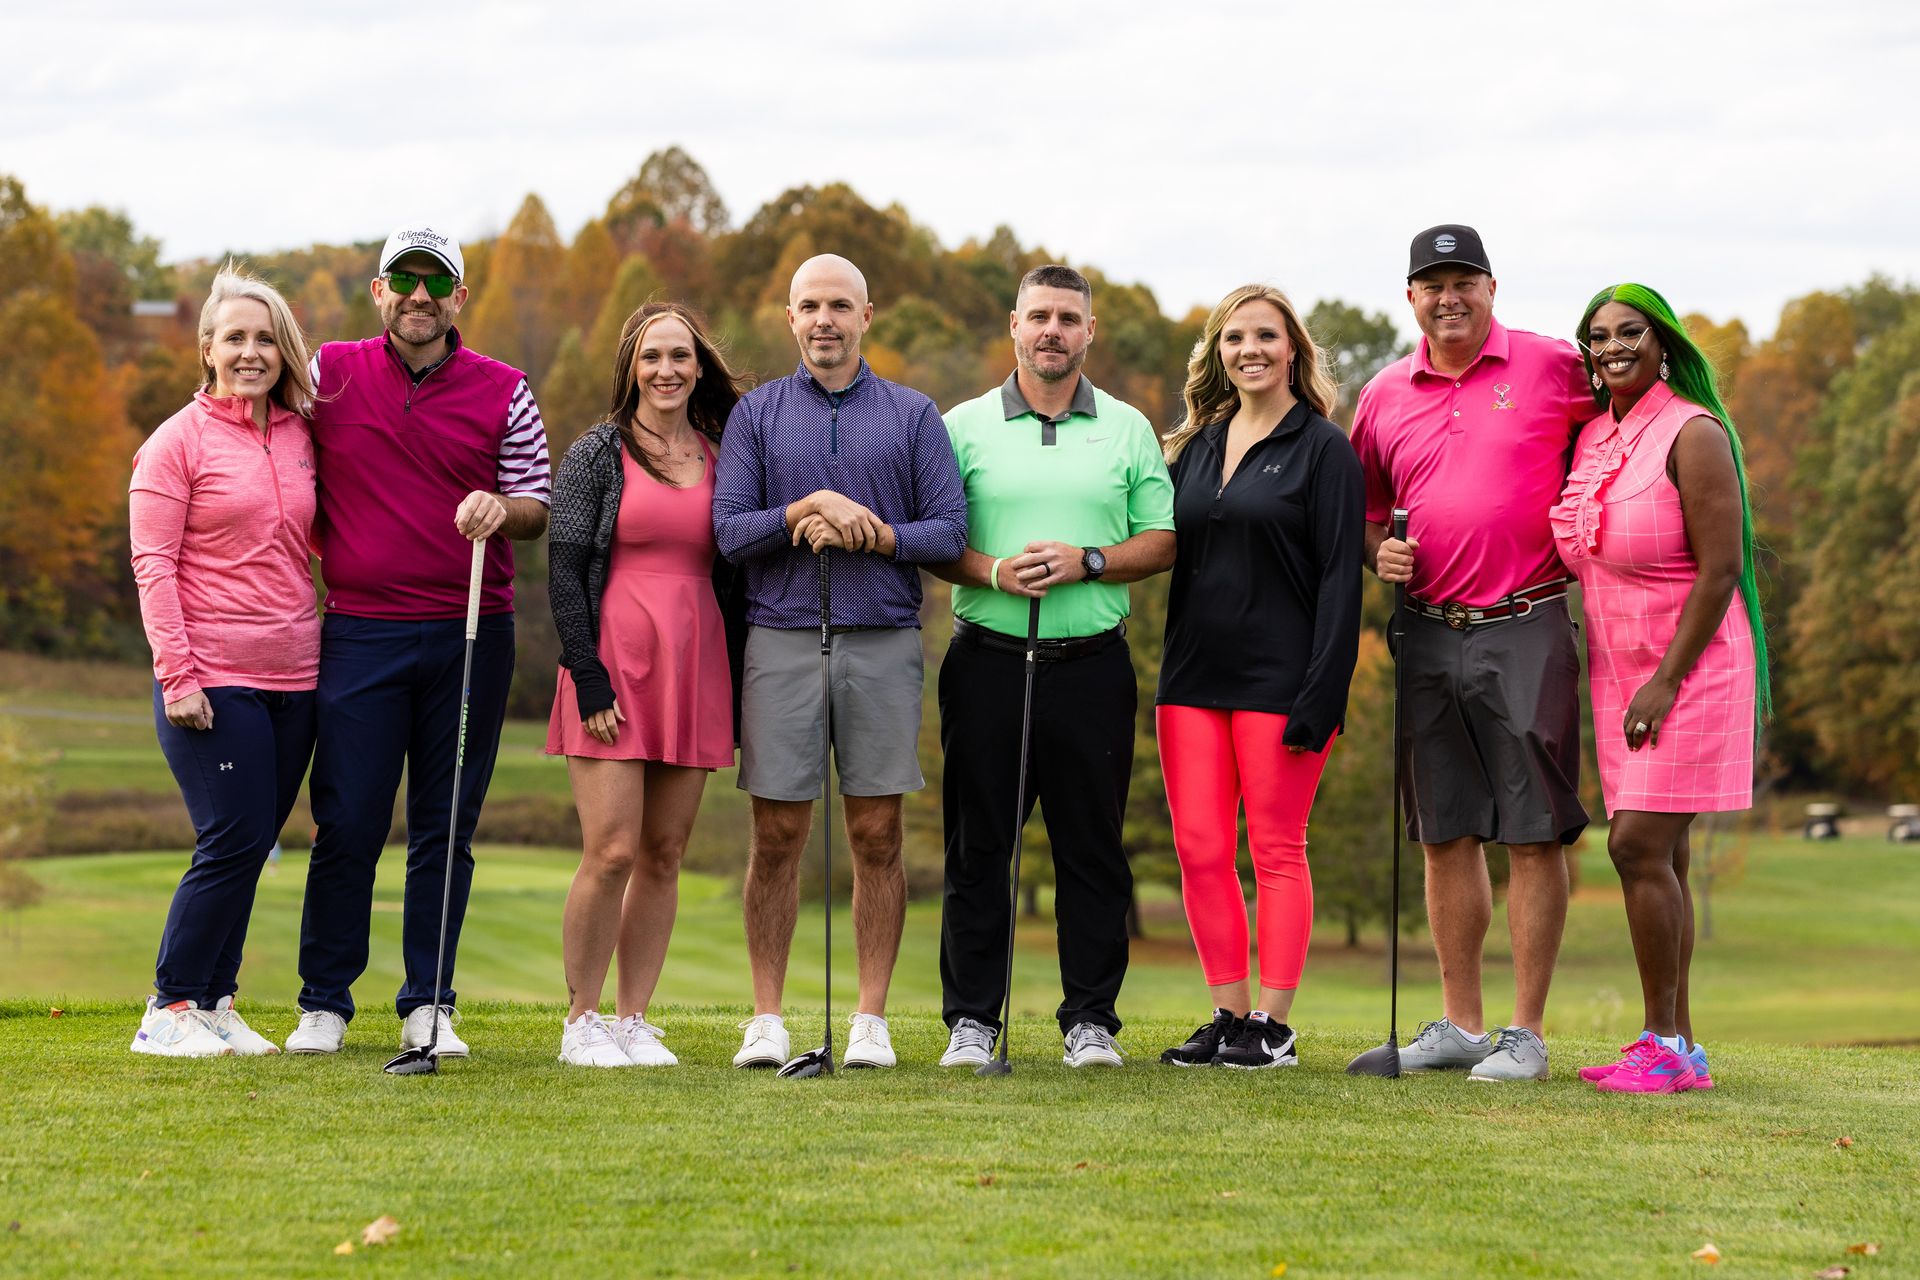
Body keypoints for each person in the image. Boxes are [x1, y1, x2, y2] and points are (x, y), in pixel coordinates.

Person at [286, 224, 551, 1056]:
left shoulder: (505, 389)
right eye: (403, 280)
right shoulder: (329, 371)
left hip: (471, 633)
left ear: (459, 298)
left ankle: (429, 1001)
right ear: (379, 291)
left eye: (437, 282)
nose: (419, 296)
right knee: (350, 819)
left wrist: (499, 509)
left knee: (445, 826)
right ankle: (324, 1001)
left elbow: (537, 503)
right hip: (361, 631)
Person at [712, 254, 967, 1070]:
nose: (825, 320)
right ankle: (767, 1016)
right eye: (809, 306)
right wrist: (805, 510)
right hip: (781, 636)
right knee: (778, 831)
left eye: (840, 306)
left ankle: (869, 1020)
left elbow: (949, 532)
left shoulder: (913, 414)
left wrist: (877, 531)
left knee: (877, 832)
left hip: (882, 639)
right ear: (790, 319)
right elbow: (730, 533)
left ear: (867, 317)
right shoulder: (756, 414)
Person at [1352, 224, 1592, 1082]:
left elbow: (1622, 435)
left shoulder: (1553, 367)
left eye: (1465, 281)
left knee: (1533, 833)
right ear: (1410, 297)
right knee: (1444, 830)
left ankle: (1524, 1035)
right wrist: (1379, 552)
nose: (1449, 297)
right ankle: (1461, 1025)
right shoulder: (1382, 393)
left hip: (1524, 621)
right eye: (1432, 284)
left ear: (1492, 287)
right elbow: (1372, 514)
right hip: (1427, 629)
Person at [932, 264, 1176, 1070]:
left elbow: (1162, 539)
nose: (1053, 331)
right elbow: (937, 540)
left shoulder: (1130, 428)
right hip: (988, 662)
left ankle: (1090, 1021)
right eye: (1039, 316)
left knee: (1092, 848)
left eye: (1068, 318)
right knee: (978, 846)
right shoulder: (960, 426)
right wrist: (995, 571)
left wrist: (1092, 560)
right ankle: (973, 1019)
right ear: (1013, 325)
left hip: (1091, 666)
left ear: (1089, 331)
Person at [1550, 284, 1768, 1094]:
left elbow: (1721, 571)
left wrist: (1665, 681)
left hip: (1690, 668)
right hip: (1619, 669)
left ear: (1661, 341)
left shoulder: (1693, 432)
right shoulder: (1596, 437)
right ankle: (1678, 1048)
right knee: (1663, 852)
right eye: (1598, 336)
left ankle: (1665, 1043)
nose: (1612, 346)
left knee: (1635, 844)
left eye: (1628, 332)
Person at [1154, 285, 1364, 1070]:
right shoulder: (1195, 447)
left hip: (1284, 682)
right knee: (1202, 850)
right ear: (1217, 352)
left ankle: (1273, 1026)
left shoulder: (1323, 449)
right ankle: (1228, 1013)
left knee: (1277, 849)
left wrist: (1325, 690)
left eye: (1266, 336)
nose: (1251, 349)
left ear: (1293, 350)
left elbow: (1344, 580)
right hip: (1190, 682)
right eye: (1235, 337)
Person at [546, 303, 750, 1068]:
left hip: (694, 664)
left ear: (699, 368)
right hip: (613, 664)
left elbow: (733, 572)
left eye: (681, 357)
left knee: (665, 851)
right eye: (651, 356)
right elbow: (564, 570)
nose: (666, 370)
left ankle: (633, 1019)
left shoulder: (723, 456)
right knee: (612, 849)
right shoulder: (597, 452)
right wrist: (588, 675)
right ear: (631, 366)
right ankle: (581, 1021)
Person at [128, 266, 320, 1057]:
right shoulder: (175, 443)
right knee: (232, 840)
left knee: (253, 846)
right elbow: (153, 564)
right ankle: (168, 1006)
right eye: (235, 337)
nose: (251, 351)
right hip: (213, 677)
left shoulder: (304, 434)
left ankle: (216, 998)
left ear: (284, 350)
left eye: (265, 337)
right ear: (207, 349)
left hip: (297, 677)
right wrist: (179, 676)